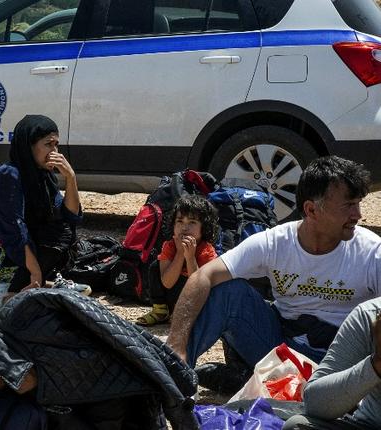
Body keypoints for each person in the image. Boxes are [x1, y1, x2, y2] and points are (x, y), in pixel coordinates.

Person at [166, 156, 381, 391]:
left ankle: (249, 378)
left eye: (358, 204)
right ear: (311, 209)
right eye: (348, 205)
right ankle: (173, 378)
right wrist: (177, 346)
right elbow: (203, 276)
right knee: (228, 291)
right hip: (279, 349)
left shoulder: (371, 252)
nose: (358, 215)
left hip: (342, 363)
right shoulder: (275, 242)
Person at [0, 114, 87, 295]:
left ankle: (39, 280)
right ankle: (24, 287)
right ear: (29, 146)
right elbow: (15, 230)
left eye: (56, 145)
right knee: (58, 235)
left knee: (69, 236)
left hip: (15, 254)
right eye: (48, 145)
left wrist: (71, 178)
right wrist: (35, 274)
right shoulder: (9, 175)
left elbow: (71, 216)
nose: (55, 151)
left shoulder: (43, 176)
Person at [284, 297, 381, 430]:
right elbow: (314, 405)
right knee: (296, 426)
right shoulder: (369, 315)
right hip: (373, 425)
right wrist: (376, 364)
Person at [136, 195, 218, 326]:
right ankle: (161, 310)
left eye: (192, 222)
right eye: (180, 221)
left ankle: (187, 315)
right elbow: (167, 283)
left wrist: (190, 257)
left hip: (196, 298)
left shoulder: (206, 251)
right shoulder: (170, 246)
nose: (184, 228)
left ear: (204, 228)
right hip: (173, 291)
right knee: (155, 267)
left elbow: (198, 286)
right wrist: (180, 253)